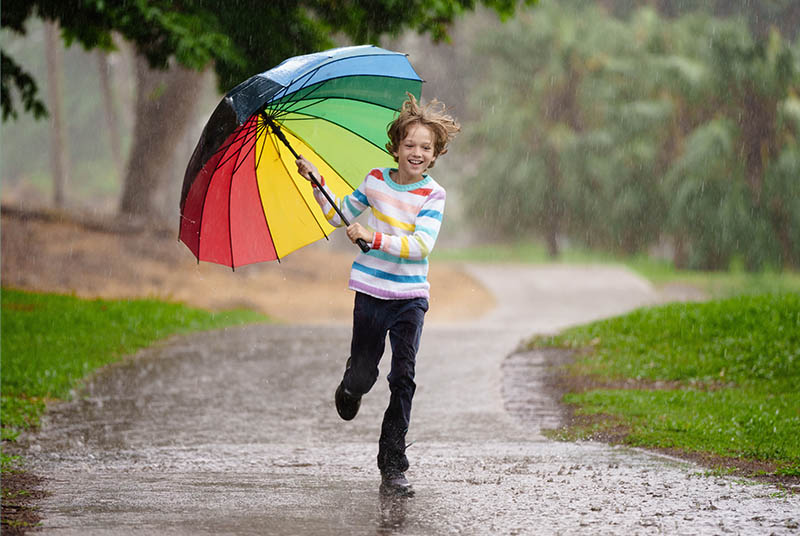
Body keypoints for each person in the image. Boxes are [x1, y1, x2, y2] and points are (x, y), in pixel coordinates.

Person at [295, 94, 460, 495]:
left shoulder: (433, 195)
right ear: (396, 147)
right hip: (371, 292)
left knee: (403, 377)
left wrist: (375, 236)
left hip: (410, 298)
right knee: (365, 374)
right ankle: (351, 385)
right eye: (410, 144)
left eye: (425, 147)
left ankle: (392, 463)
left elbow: (421, 245)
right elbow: (338, 213)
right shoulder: (375, 181)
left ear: (435, 154)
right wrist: (317, 181)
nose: (417, 153)